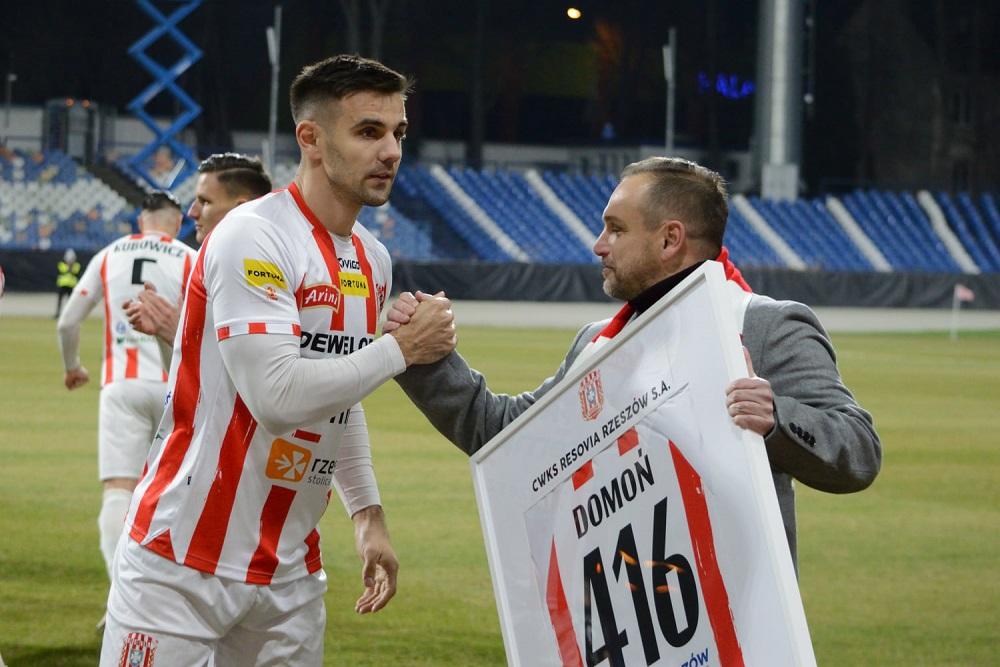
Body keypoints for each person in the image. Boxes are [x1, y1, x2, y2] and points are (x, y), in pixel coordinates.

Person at [100, 54, 457, 666]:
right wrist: (401, 349)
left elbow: (337, 396)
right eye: (369, 131)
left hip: (290, 572)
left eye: (398, 132)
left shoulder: (372, 259)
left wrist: (367, 514)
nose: (391, 151)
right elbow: (278, 397)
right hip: (182, 560)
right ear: (311, 139)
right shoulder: (253, 235)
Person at [389, 156, 881, 568]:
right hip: (620, 621)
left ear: (670, 240)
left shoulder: (765, 326)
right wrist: (426, 357)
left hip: (734, 620)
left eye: (615, 229)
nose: (598, 245)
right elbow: (504, 435)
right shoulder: (596, 344)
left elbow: (858, 450)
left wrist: (776, 420)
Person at [56, 191, 197, 626]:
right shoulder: (190, 257)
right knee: (175, 494)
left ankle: (123, 601)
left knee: (119, 490)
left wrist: (73, 367)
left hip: (122, 385)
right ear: (177, 223)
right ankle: (175, 601)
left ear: (141, 220)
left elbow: (68, 321)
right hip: (177, 388)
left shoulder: (110, 253)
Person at [124, 153, 272, 350]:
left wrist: (179, 333)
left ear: (240, 209)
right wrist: (166, 332)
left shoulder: (260, 275)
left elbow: (257, 363)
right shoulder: (209, 265)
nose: (192, 212)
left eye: (205, 202)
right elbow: (186, 364)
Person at [55, 247, 81, 318]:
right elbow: (63, 271)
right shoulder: (61, 264)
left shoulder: (77, 265)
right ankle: (57, 313)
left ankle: (71, 314)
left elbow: (76, 273)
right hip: (62, 285)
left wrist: (71, 267)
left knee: (71, 302)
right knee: (60, 300)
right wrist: (69, 267)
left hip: (71, 286)